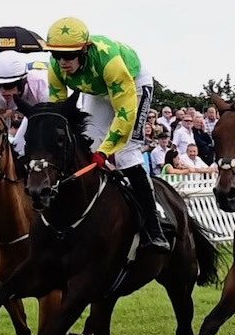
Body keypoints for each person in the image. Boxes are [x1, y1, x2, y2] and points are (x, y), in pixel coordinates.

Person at [44, 16, 169, 251]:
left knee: (125, 152)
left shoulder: (111, 63)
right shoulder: (55, 70)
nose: (63, 62)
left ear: (84, 50)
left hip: (132, 83)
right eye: (56, 55)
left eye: (69, 56)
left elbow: (124, 115)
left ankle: (155, 229)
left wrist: (106, 150)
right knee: (88, 146)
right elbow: (58, 114)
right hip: (97, 89)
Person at [0, 51, 50, 153]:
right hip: (29, 115)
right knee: (15, 147)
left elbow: (47, 122)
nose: (3, 91)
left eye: (8, 86)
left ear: (21, 83)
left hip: (45, 114)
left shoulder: (42, 86)